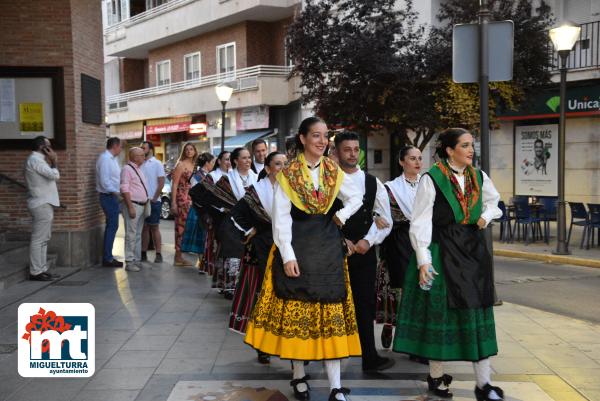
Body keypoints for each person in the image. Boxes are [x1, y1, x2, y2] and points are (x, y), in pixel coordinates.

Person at [245, 117, 362, 401]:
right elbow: (280, 219)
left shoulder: (333, 170)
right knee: (298, 315)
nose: (322, 142)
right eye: (316, 136)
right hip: (297, 247)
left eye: (325, 137)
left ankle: (335, 386)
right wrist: (287, 256)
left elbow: (357, 197)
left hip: (328, 251)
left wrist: (341, 215)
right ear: (302, 139)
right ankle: (299, 377)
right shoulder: (289, 173)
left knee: (330, 315)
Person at [393, 128, 503, 401]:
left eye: (471, 145)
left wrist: (486, 216)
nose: (470, 150)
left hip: (473, 253)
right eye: (464, 145)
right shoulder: (432, 179)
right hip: (442, 251)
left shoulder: (479, 177)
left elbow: (495, 202)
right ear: (450, 150)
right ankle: (436, 376)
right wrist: (423, 260)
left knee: (478, 315)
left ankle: (484, 384)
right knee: (439, 316)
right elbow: (419, 221)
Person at [332, 131, 394, 372]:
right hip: (333, 252)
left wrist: (368, 241)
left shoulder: (372, 182)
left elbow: (385, 218)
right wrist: (341, 240)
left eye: (356, 149)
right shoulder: (329, 180)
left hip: (364, 253)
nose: (352, 154)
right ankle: (325, 355)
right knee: (332, 304)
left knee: (365, 304)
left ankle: (369, 356)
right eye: (347, 149)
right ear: (337, 152)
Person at [229, 151, 286, 364]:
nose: (282, 167)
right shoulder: (256, 192)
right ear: (268, 168)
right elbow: (236, 214)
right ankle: (262, 344)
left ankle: (291, 345)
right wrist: (249, 230)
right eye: (277, 164)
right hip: (263, 248)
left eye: (285, 164)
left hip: (288, 248)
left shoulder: (294, 189)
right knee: (264, 297)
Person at [375, 146, 425, 365]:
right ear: (402, 161)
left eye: (420, 159)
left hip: (423, 241)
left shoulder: (428, 183)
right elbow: (378, 210)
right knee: (401, 292)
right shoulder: (390, 188)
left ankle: (415, 343)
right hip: (399, 243)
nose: (417, 162)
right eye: (412, 158)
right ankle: (390, 326)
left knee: (421, 292)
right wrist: (377, 217)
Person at [24, 136, 61, 281]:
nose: (51, 149)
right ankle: (35, 271)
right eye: (49, 146)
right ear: (43, 148)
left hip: (44, 203)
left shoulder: (38, 160)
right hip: (41, 203)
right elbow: (54, 175)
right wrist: (55, 161)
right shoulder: (34, 160)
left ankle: (42, 269)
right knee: (39, 239)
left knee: (44, 238)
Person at [120, 147, 150, 272]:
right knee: (131, 234)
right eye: (142, 155)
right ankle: (129, 261)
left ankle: (136, 260)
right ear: (135, 157)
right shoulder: (127, 169)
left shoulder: (138, 169)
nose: (144, 157)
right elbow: (124, 188)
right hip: (133, 205)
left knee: (137, 234)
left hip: (141, 205)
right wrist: (130, 207)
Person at [184, 152, 215, 270]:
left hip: (206, 208)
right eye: (212, 162)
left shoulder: (208, 175)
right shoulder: (197, 176)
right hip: (199, 209)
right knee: (201, 235)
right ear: (207, 163)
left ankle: (205, 260)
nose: (213, 164)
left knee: (206, 236)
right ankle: (202, 261)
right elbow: (196, 194)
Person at [96, 137, 124, 267]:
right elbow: (104, 181)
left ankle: (108, 256)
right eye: (120, 146)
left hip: (112, 196)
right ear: (115, 146)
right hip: (108, 196)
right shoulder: (106, 159)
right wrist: (116, 193)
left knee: (113, 226)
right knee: (112, 226)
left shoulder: (113, 159)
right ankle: (107, 258)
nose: (121, 149)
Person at [171, 142, 197, 266]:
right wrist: (173, 203)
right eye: (187, 149)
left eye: (191, 149)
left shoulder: (195, 165)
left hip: (193, 199)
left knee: (189, 227)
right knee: (180, 227)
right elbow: (174, 184)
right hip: (182, 199)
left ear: (195, 151)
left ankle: (183, 255)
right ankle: (178, 256)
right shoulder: (180, 165)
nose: (189, 151)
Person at [140, 141, 166, 264]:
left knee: (154, 227)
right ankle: (143, 253)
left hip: (153, 201)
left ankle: (158, 253)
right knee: (144, 228)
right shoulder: (140, 163)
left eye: (143, 147)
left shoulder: (157, 163)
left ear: (150, 149)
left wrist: (155, 197)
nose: (141, 149)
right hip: (141, 201)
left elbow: (161, 182)